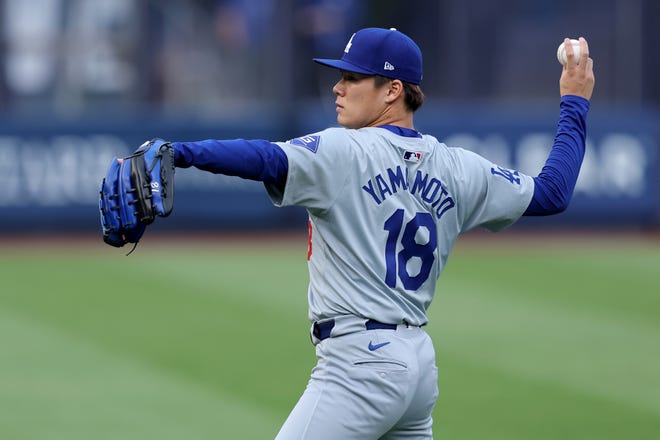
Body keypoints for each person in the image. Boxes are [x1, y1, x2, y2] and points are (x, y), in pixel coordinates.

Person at [167, 28, 594, 439]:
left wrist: (180, 153)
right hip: (418, 367)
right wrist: (574, 101)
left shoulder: (344, 150)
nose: (338, 88)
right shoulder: (458, 167)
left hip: (358, 365)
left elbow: (265, 158)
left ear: (392, 89)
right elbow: (552, 192)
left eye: (352, 78)